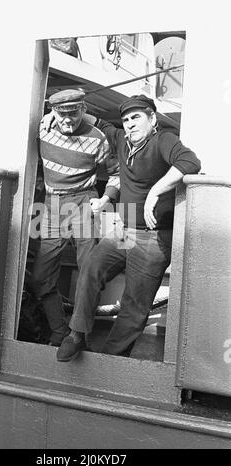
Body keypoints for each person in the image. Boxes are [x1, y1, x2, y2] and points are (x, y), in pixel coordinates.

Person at [54, 94, 201, 361]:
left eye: (136, 117)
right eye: (126, 119)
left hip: (153, 238)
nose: (130, 124)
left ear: (152, 119)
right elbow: (97, 120)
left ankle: (110, 360)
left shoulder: (163, 140)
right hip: (123, 231)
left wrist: (157, 191)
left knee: (134, 306)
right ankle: (77, 334)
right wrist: (59, 112)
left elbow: (189, 162)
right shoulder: (121, 139)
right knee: (91, 268)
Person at [27, 89, 120, 347]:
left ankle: (80, 336)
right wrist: (46, 116)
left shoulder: (98, 138)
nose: (68, 121)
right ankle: (59, 330)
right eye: (62, 114)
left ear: (83, 110)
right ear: (53, 112)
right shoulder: (42, 128)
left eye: (74, 114)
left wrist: (104, 200)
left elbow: (116, 174)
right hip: (51, 205)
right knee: (40, 278)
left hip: (84, 202)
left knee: (89, 272)